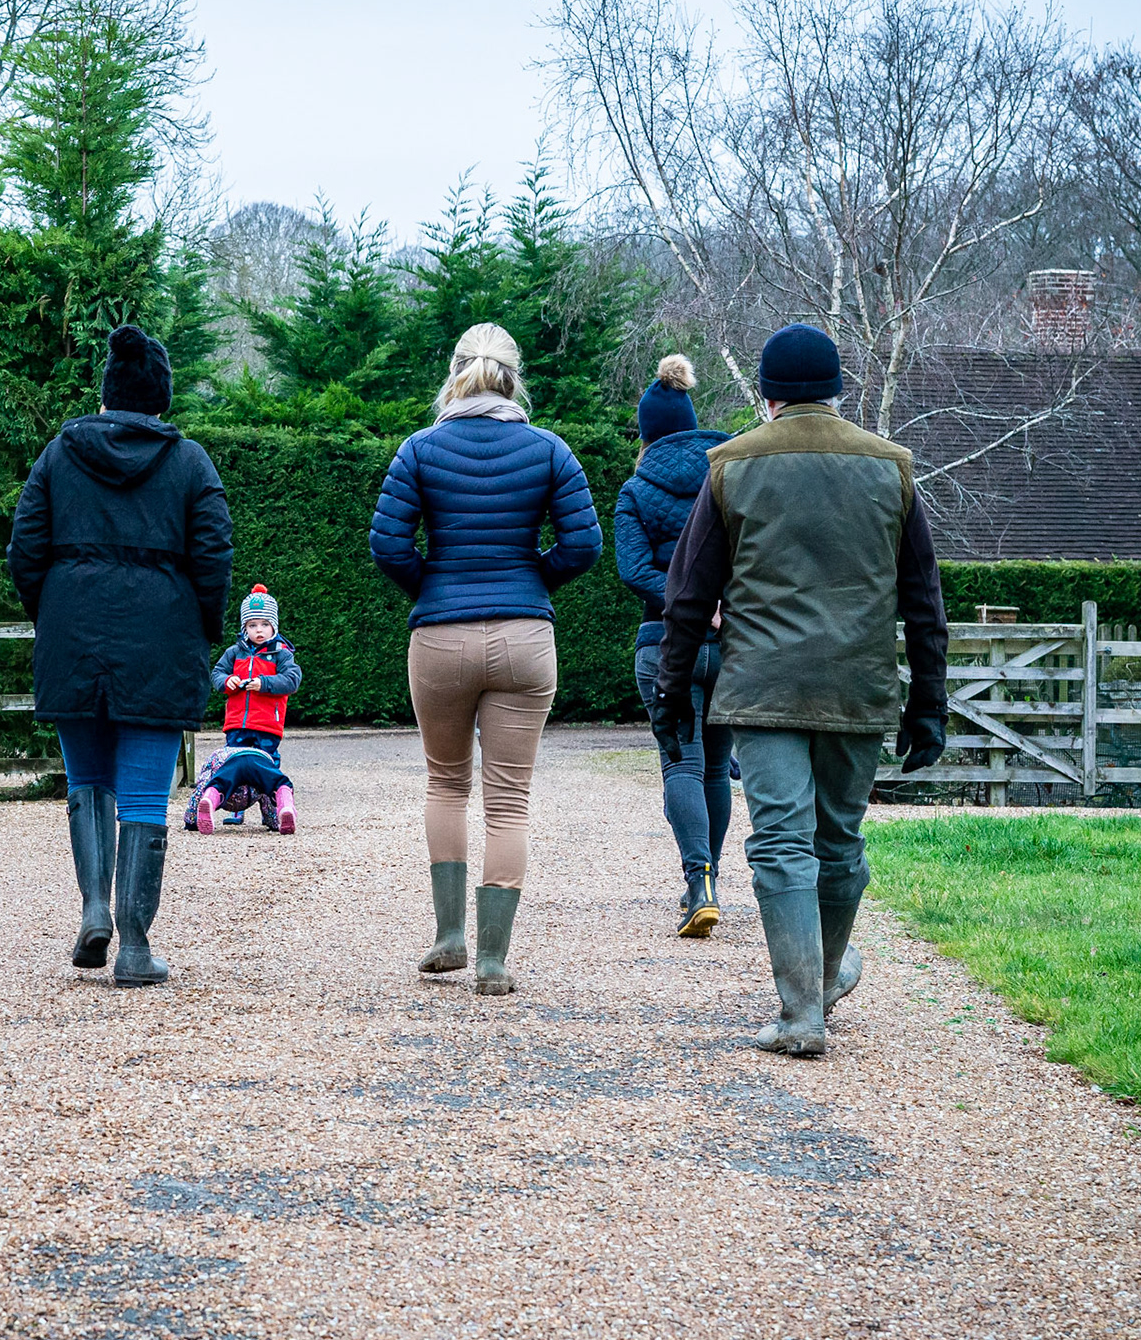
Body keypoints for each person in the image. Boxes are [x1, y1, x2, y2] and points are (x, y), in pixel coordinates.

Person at [653, 324, 948, 1056]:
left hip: (764, 687)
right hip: (858, 687)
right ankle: (820, 983)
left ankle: (802, 1010)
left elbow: (688, 597)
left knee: (782, 841)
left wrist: (670, 693)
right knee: (839, 840)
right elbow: (923, 602)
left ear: (768, 394)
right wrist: (928, 704)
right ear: (839, 390)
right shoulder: (892, 467)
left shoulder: (731, 466)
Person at [369, 323, 602, 996]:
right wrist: (529, 584)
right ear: (513, 376)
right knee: (508, 800)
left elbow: (388, 545)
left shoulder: (419, 449)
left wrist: (435, 588)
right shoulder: (549, 449)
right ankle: (494, 961)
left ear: (454, 373)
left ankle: (449, 937)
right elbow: (583, 545)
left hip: (440, 638)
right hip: (525, 639)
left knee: (447, 784)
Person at [6, 325, 234, 988]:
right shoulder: (190, 462)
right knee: (143, 794)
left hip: (72, 635)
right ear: (161, 400)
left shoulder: (59, 455)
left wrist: (55, 614)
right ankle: (134, 947)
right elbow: (214, 555)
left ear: (105, 396)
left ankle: (94, 908)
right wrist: (198, 626)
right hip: (160, 641)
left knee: (87, 780)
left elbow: (24, 550)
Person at [615, 354, 733, 937]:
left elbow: (634, 569)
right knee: (716, 768)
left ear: (646, 435)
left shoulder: (636, 490)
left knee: (681, 761)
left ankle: (699, 880)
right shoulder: (729, 476)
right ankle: (712, 881)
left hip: (665, 644)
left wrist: (686, 603)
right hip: (730, 644)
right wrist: (718, 602)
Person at [194, 584, 302, 833]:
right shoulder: (234, 652)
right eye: (252, 625)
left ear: (274, 625)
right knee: (234, 764)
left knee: (267, 766)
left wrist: (264, 683)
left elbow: (292, 680)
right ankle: (236, 809)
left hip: (267, 725)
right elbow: (217, 674)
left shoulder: (281, 654)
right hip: (237, 724)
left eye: (264, 624)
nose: (259, 630)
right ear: (245, 627)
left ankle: (273, 812)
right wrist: (228, 682)